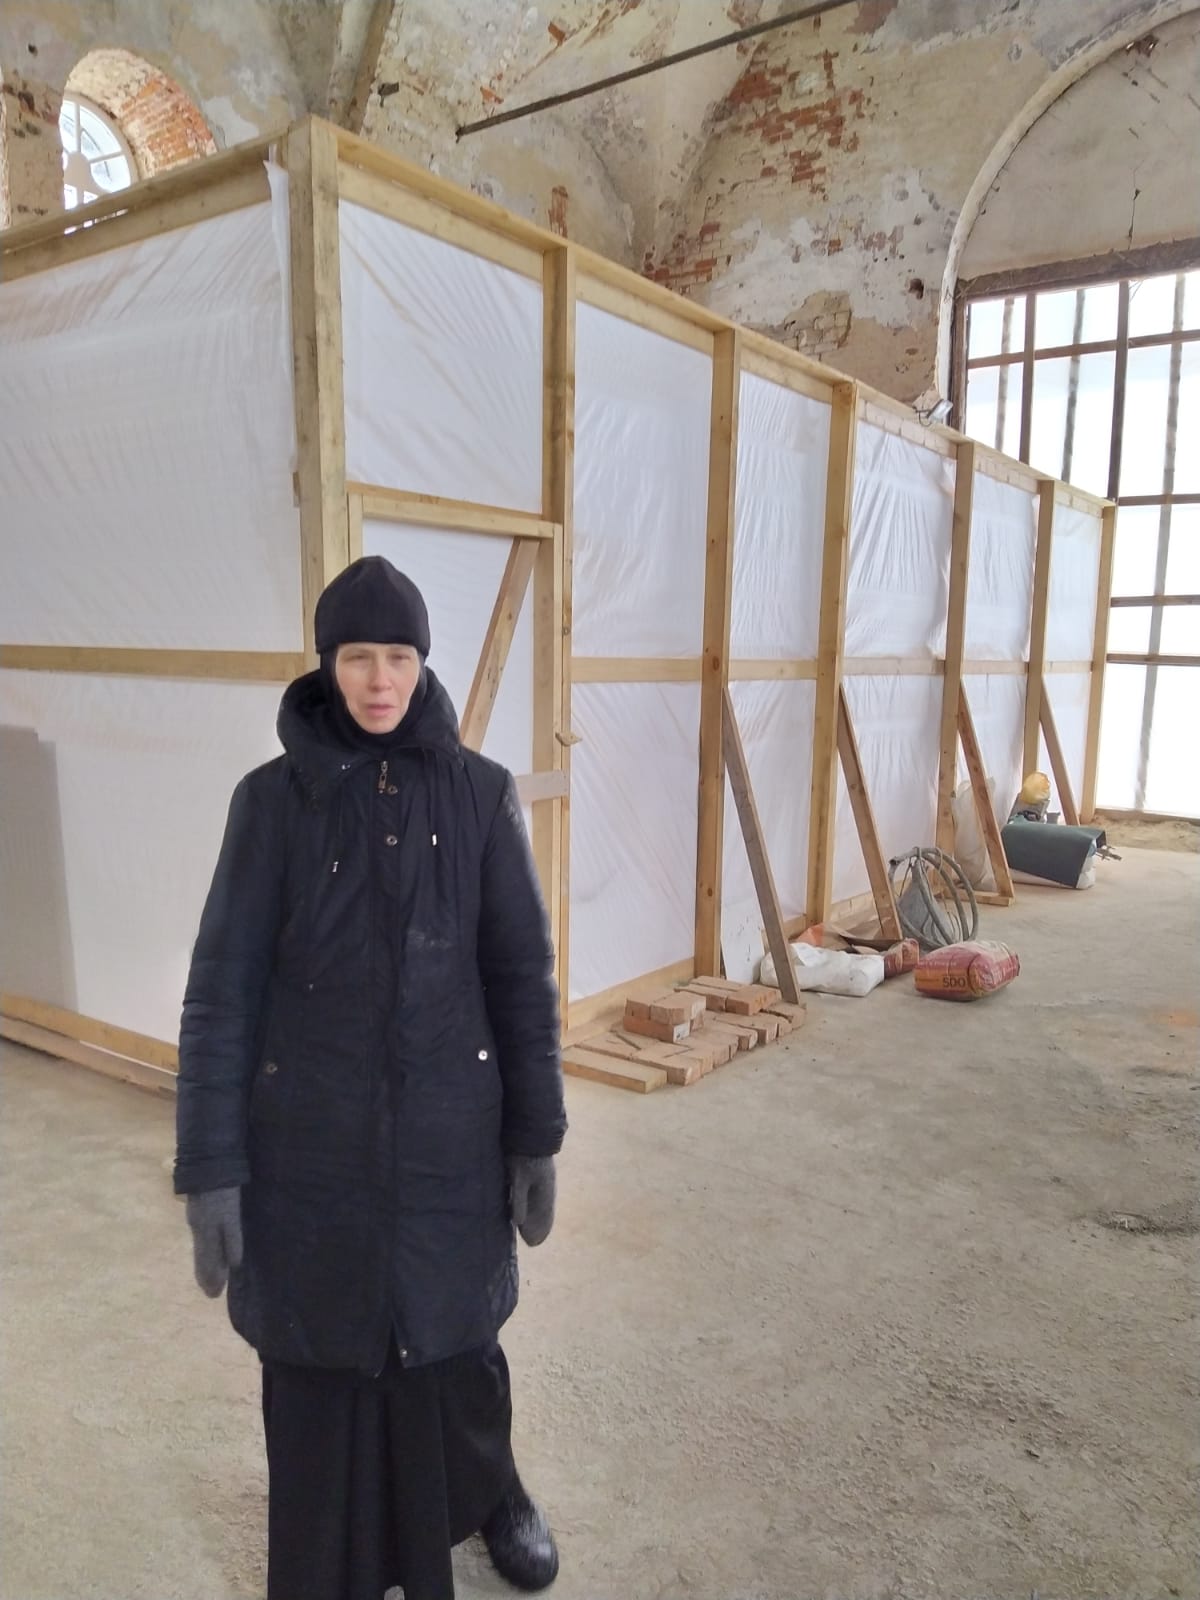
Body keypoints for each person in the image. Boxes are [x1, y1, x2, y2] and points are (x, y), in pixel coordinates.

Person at [174, 555, 567, 1600]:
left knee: (455, 1340)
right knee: (323, 1351)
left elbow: (521, 976)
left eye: (398, 656)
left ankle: (490, 1489)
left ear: (423, 662)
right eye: (358, 657)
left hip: (449, 1133)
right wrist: (210, 1168)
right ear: (328, 664)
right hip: (309, 1140)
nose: (380, 679)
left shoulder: (480, 794)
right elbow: (220, 992)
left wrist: (537, 1134)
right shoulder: (270, 803)